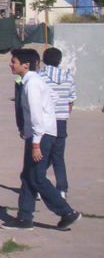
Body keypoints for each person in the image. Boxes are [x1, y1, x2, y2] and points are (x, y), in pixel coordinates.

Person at [1, 48, 80, 231]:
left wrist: (36, 142)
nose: (10, 64)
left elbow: (36, 115)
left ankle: (67, 213)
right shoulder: (34, 80)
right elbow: (54, 96)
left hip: (41, 136)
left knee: (37, 177)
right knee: (28, 176)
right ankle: (24, 218)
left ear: (25, 65)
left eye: (14, 62)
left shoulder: (32, 84)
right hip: (42, 133)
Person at [39, 47, 76, 198]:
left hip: (45, 121)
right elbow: (71, 100)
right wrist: (64, 114)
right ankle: (62, 189)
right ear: (59, 60)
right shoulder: (69, 77)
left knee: (41, 155)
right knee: (58, 157)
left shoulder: (40, 76)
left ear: (43, 60)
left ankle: (38, 186)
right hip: (61, 121)